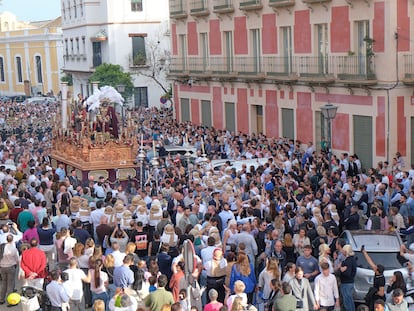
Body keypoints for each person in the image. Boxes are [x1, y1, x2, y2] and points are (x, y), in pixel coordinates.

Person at [361, 245, 386, 310]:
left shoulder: (381, 280)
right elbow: (370, 262)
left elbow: (381, 293)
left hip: (377, 299)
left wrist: (374, 292)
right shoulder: (377, 273)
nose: (374, 267)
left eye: (375, 268)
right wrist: (364, 252)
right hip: (374, 297)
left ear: (378, 271)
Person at [0, 233, 19, 304]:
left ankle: (1, 299)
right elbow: (17, 259)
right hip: (10, 266)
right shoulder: (14, 249)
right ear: (12, 240)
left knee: (4, 283)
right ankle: (10, 301)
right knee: (10, 284)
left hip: (2, 267)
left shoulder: (2, 247)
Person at [339, 245, 357, 311]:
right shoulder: (352, 259)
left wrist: (341, 269)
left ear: (346, 251)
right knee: (350, 300)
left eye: (343, 251)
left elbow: (347, 273)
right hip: (350, 282)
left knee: (347, 301)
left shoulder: (348, 261)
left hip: (346, 283)